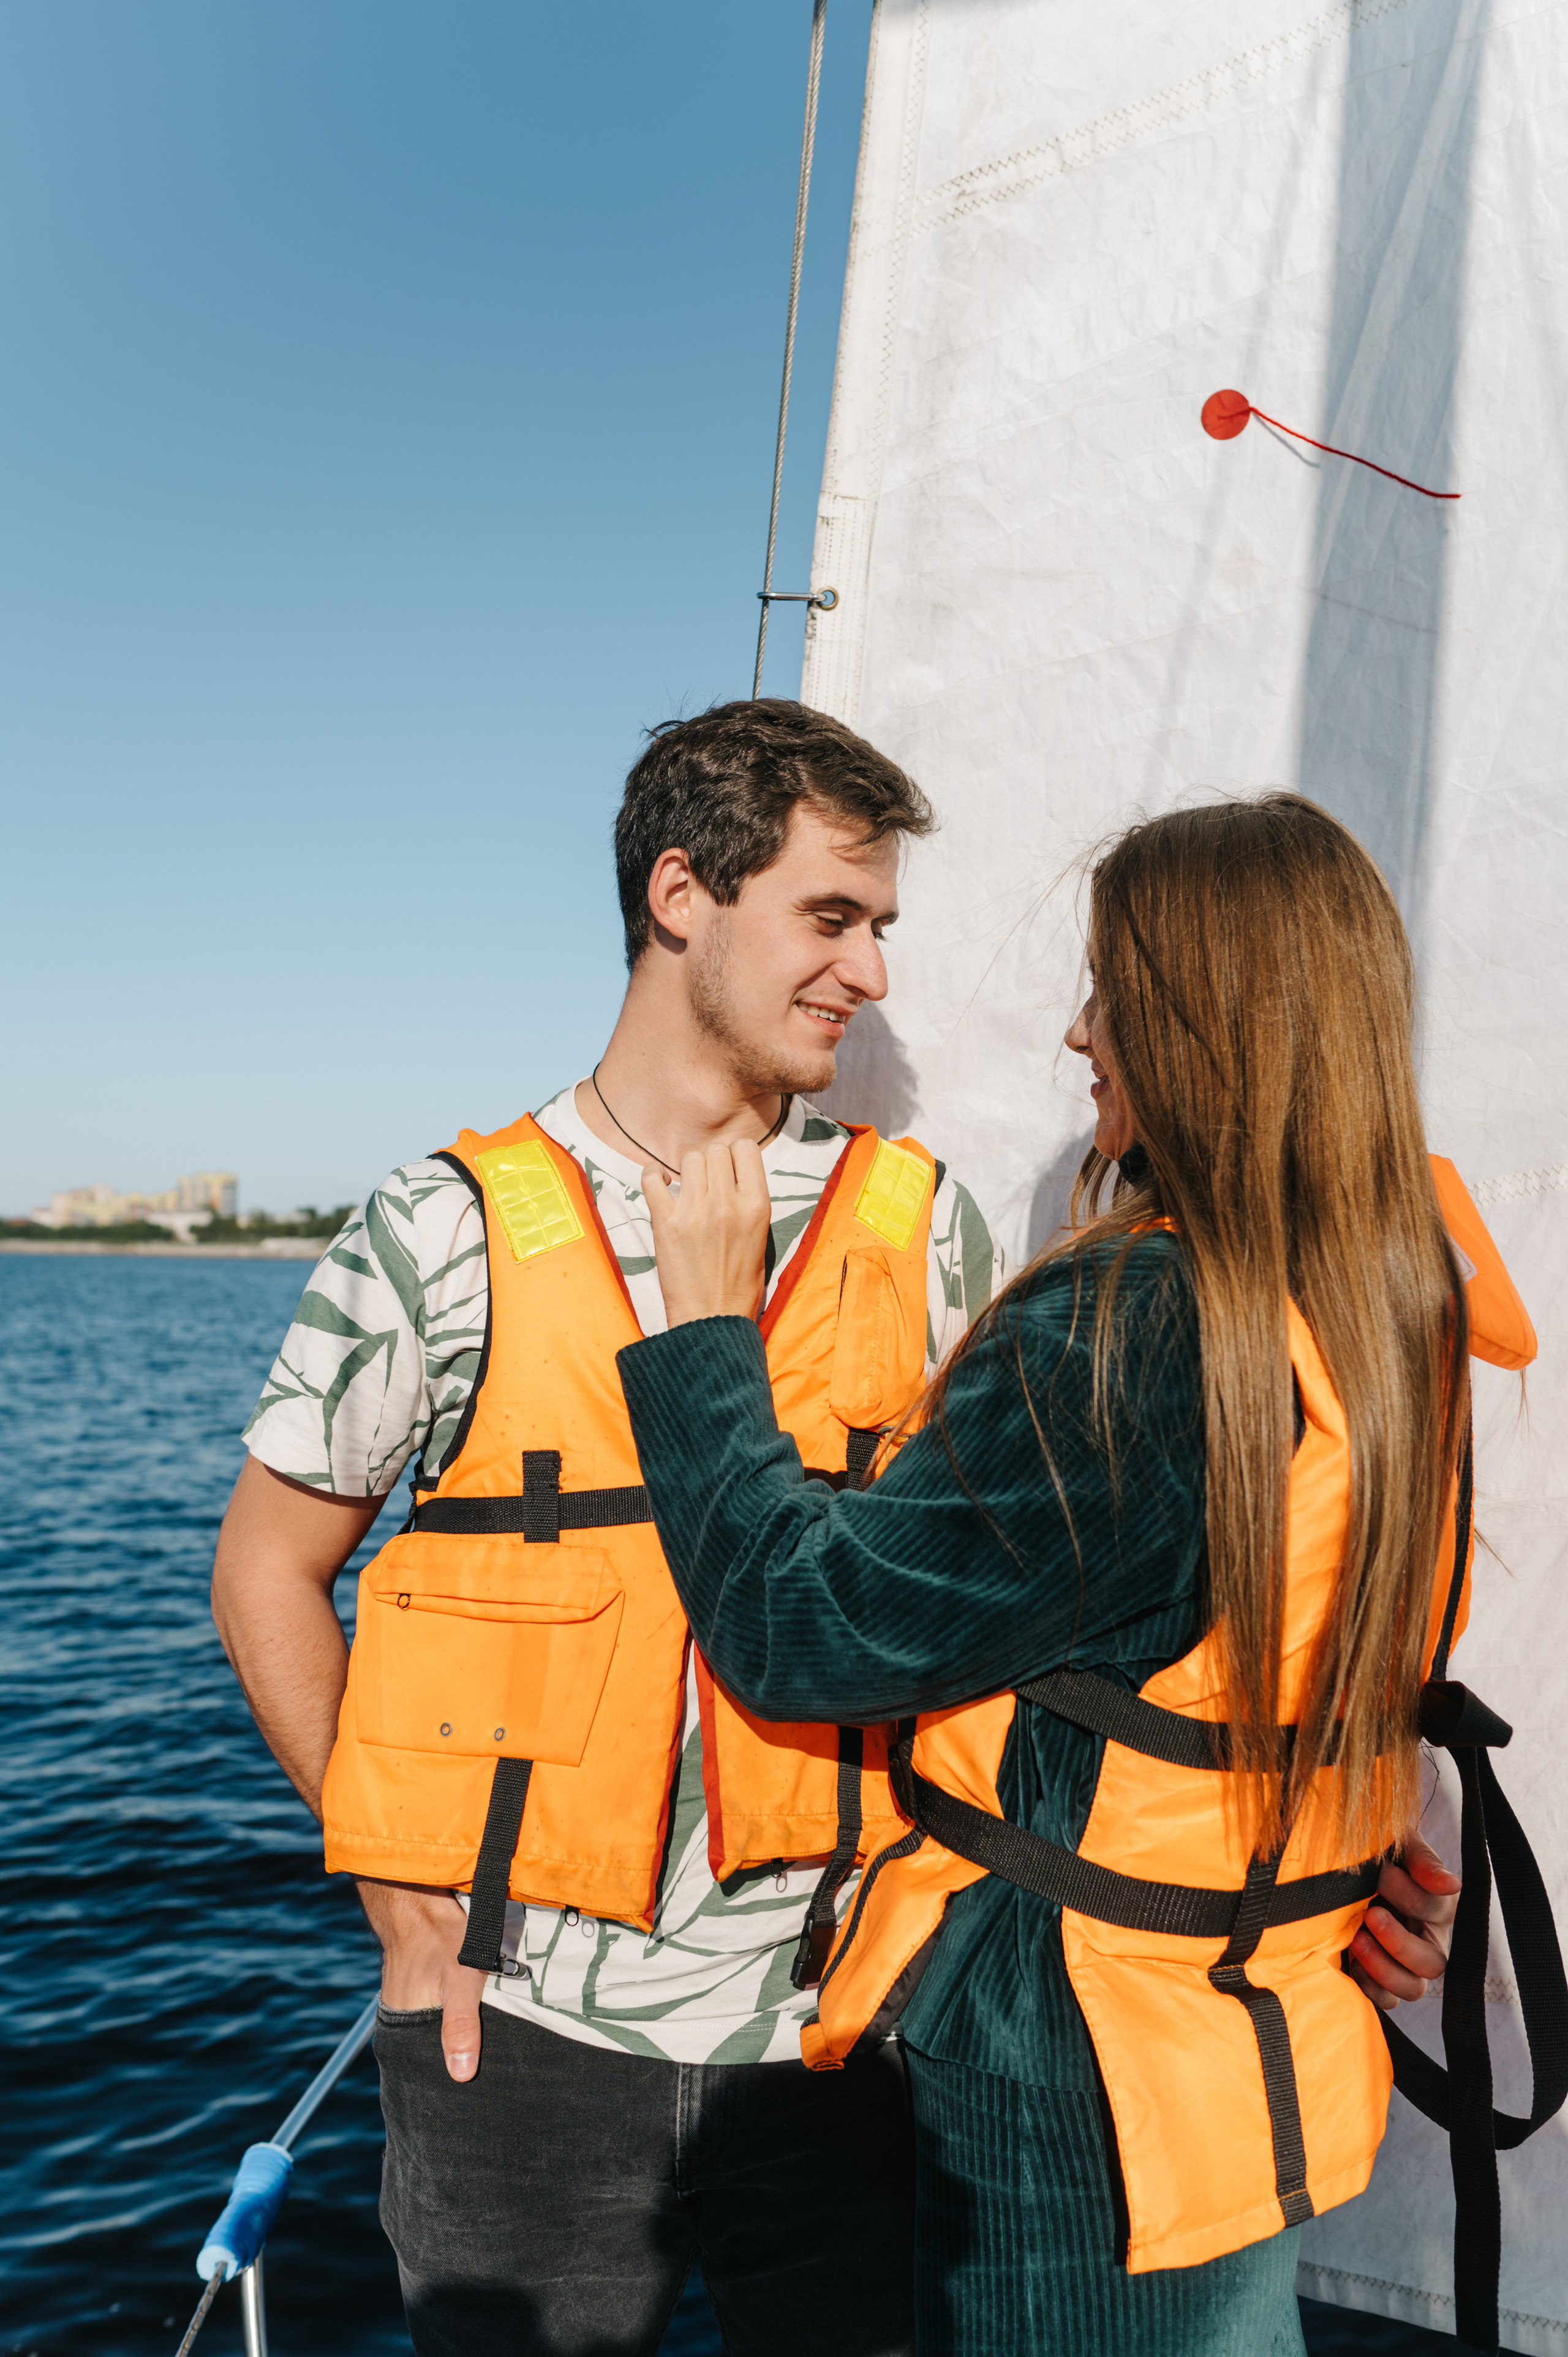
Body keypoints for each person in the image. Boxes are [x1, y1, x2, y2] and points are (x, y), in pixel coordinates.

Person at [615, 793, 1527, 2356]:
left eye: (1108, 990)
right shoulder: (1393, 1289)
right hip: (1260, 2021)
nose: (1073, 1032)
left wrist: (706, 1333)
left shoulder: (1135, 1325)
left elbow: (799, 1625)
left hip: (1077, 2086)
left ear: (1195, 1024)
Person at [211, 699, 1009, 2357]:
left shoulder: (926, 1230)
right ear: (680, 896)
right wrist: (399, 1898)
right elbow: (268, 1570)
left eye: (880, 930)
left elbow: (982, 1600)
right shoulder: (443, 1230)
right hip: (517, 2050)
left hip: (842, 2038)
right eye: (831, 919)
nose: (871, 976)